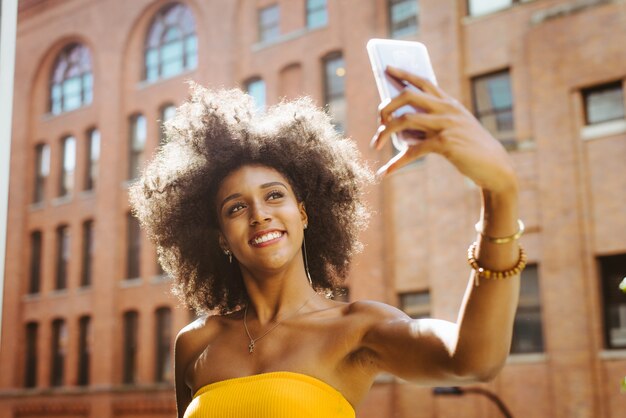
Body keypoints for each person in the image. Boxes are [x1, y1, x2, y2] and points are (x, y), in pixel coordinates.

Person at [129, 66, 526, 418]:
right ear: (221, 239)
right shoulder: (196, 342)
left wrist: (500, 192)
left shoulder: (358, 328)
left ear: (303, 213)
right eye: (235, 208)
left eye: (274, 195)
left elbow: (472, 359)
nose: (260, 214)